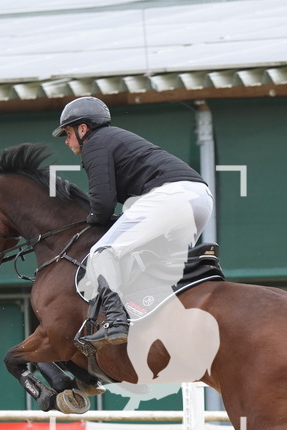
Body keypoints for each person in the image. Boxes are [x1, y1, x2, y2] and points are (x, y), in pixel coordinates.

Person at [53, 96, 214, 350]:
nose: (66, 140)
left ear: (83, 129)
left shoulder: (95, 144)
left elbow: (103, 204)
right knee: (151, 261)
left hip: (170, 198)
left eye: (67, 132)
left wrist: (93, 219)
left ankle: (116, 321)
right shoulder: (114, 139)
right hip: (200, 198)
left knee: (101, 253)